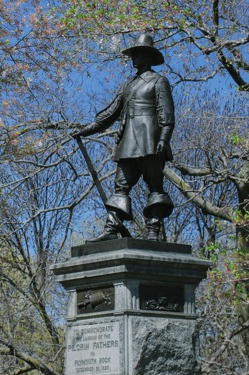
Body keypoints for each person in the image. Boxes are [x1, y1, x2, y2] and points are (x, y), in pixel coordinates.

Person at [73, 34, 174, 242]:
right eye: (133, 54)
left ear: (148, 56)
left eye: (137, 53)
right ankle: (112, 228)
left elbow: (167, 114)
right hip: (128, 142)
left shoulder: (159, 81)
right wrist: (85, 130)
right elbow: (109, 115)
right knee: (121, 185)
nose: (133, 58)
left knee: (155, 185)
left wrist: (164, 138)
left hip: (150, 140)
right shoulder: (128, 86)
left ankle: (153, 230)